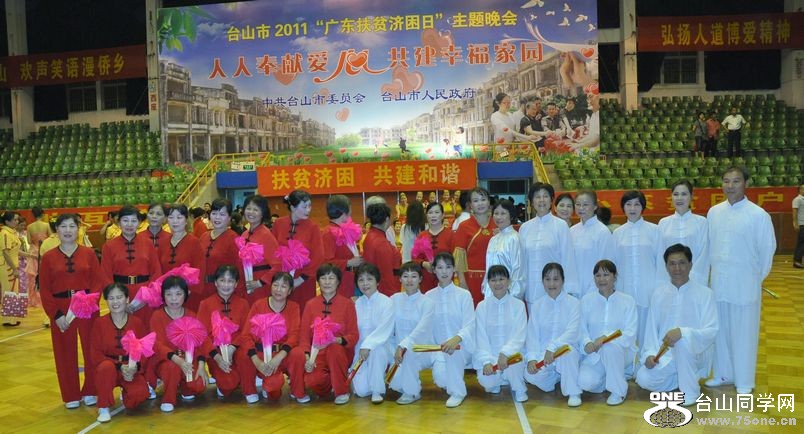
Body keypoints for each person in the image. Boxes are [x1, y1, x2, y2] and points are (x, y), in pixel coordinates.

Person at [706, 166, 776, 395]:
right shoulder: (714, 212)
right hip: (719, 284)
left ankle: (745, 380)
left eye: (736, 181)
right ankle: (723, 374)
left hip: (745, 285)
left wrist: (754, 279)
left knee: (745, 334)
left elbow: (767, 251)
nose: (730, 186)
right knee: (720, 332)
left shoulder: (758, 215)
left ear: (746, 183)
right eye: (726, 181)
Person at [636, 244, 719, 407]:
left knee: (682, 341)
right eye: (672, 264)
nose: (677, 268)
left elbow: (711, 331)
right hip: (666, 356)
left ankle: (690, 392)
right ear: (666, 267)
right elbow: (651, 331)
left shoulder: (705, 294)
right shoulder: (659, 294)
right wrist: (649, 355)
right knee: (643, 378)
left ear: (691, 265)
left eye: (682, 263)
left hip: (696, 353)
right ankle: (682, 377)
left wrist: (683, 332)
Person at [39, 213, 103, 409]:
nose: (68, 230)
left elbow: (97, 282)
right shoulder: (48, 257)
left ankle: (91, 389)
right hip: (61, 308)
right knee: (64, 352)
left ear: (79, 229)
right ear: (56, 230)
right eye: (63, 226)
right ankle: (71, 394)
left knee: (91, 349)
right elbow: (45, 289)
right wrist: (55, 315)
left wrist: (89, 302)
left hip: (86, 307)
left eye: (72, 226)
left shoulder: (89, 254)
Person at [286, 264, 358, 405]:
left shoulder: (347, 304)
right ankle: (325, 385)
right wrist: (308, 357)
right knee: (311, 378)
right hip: (316, 354)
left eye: (331, 278)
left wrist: (335, 340)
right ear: (318, 281)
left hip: (339, 352)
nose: (327, 282)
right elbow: (304, 336)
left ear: (338, 281)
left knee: (334, 349)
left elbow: (354, 335)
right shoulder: (310, 304)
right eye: (323, 278)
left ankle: (341, 391)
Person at [578, 260, 638, 406]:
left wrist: (607, 339)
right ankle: (613, 377)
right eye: (598, 275)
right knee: (585, 383)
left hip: (621, 352)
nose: (602, 279)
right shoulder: (586, 300)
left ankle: (618, 391)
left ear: (614, 276)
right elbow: (581, 329)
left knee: (610, 347)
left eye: (606, 275)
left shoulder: (627, 301)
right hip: (595, 354)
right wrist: (587, 343)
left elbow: (630, 333)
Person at [91, 283, 150, 422]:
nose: (115, 302)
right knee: (106, 368)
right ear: (106, 301)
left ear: (127, 299)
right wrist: (119, 366)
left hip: (130, 368)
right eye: (111, 298)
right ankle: (103, 406)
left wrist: (135, 368)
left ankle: (127, 393)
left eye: (119, 297)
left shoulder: (137, 322)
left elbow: (144, 351)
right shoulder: (99, 323)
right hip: (109, 368)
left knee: (140, 395)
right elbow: (96, 354)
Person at [525, 263, 582, 407]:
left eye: (556, 279)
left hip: (566, 352)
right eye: (547, 279)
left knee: (568, 353)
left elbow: (573, 332)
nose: (551, 284)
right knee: (529, 374)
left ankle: (573, 392)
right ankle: (561, 376)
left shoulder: (574, 303)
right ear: (542, 281)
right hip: (545, 357)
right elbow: (532, 335)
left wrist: (553, 347)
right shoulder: (537, 305)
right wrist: (532, 359)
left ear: (563, 280)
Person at [150, 276, 210, 412]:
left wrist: (201, 366)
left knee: (198, 385)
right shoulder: (157, 316)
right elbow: (158, 345)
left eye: (178, 294)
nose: (174, 299)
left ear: (186, 294)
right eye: (169, 294)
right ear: (163, 295)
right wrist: (178, 361)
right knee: (172, 368)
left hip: (188, 361)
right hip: (167, 361)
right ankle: (168, 399)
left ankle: (185, 386)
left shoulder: (192, 315)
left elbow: (200, 343)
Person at [424, 252, 475, 408]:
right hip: (439, 349)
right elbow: (426, 327)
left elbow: (470, 324)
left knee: (453, 353)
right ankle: (453, 380)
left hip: (462, 346)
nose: (444, 271)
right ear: (434, 270)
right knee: (441, 379)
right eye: (440, 267)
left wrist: (456, 339)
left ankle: (458, 392)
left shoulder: (464, 295)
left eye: (448, 267)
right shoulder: (428, 296)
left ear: (454, 269)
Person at [197, 265, 253, 402]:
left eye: (230, 281)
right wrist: (217, 357)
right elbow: (202, 335)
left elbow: (246, 331)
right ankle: (229, 377)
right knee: (228, 385)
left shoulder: (243, 303)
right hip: (215, 352)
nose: (226, 285)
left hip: (237, 347)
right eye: (222, 280)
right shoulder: (205, 304)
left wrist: (233, 347)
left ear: (236, 284)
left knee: (246, 356)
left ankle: (249, 388)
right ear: (216, 282)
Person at [612, 190, 660, 347]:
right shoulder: (617, 233)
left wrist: (658, 290)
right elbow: (613, 264)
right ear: (623, 207)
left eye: (637, 204)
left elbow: (660, 263)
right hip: (624, 290)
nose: (632, 208)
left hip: (648, 290)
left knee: (648, 335)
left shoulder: (654, 230)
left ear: (643, 207)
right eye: (628, 204)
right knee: (625, 334)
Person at [242, 272, 300, 401]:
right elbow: (246, 335)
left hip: (282, 354)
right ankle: (255, 385)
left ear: (290, 291)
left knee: (298, 354)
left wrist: (279, 357)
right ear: (270, 286)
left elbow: (295, 335)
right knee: (243, 354)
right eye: (275, 285)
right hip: (261, 354)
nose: (278, 289)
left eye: (283, 286)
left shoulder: (294, 307)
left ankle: (296, 389)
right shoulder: (258, 305)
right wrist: (256, 360)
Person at [100, 205, 162, 325]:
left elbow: (156, 272)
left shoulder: (148, 244)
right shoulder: (109, 246)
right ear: (119, 222)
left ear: (139, 223)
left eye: (133, 221)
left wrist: (148, 295)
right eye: (125, 220)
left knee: (145, 329)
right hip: (120, 296)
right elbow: (105, 275)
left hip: (144, 296)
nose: (129, 224)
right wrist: (116, 298)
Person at [476, 265, 528, 403]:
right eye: (493, 280)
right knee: (486, 381)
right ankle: (498, 381)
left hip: (512, 355)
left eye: (501, 279)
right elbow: (481, 337)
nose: (497, 283)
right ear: (488, 283)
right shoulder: (482, 306)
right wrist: (486, 361)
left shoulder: (518, 305)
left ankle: (519, 388)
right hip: (491, 356)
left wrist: (505, 353)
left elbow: (519, 335)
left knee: (513, 367)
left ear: (508, 281)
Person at [519, 182, 578, 304]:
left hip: (554, 291)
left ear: (551, 201)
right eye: (537, 196)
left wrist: (569, 289)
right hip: (531, 291)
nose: (541, 200)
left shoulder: (560, 226)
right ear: (531, 201)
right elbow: (522, 262)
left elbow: (568, 259)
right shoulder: (525, 228)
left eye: (545, 196)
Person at [389, 262, 434, 405]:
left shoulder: (427, 302)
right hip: (397, 350)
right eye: (405, 276)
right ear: (400, 279)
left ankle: (412, 392)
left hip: (422, 349)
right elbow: (388, 326)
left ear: (420, 279)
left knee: (408, 352)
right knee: (394, 383)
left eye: (414, 276)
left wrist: (404, 345)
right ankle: (409, 382)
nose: (409, 280)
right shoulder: (394, 299)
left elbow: (422, 330)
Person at [272, 190, 324, 307]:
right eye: (304, 207)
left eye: (310, 206)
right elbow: (272, 251)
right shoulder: (278, 224)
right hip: (280, 280)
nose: (308, 210)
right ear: (292, 207)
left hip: (304, 280)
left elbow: (318, 257)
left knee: (303, 309)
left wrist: (300, 280)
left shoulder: (313, 227)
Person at [351, 263, 394, 404]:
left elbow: (384, 330)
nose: (365, 284)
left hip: (382, 347)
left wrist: (368, 345)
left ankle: (377, 390)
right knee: (362, 391)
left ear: (377, 281)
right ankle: (376, 378)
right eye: (361, 280)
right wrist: (362, 347)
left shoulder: (387, 302)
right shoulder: (356, 304)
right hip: (360, 350)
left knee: (377, 351)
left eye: (369, 279)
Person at [656, 180, 709, 286]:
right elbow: (660, 255)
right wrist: (665, 281)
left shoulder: (701, 222)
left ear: (691, 196)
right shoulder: (663, 223)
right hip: (669, 281)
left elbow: (704, 255)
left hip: (695, 282)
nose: (679, 198)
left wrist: (691, 278)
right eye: (676, 194)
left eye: (684, 194)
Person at [453, 187, 497, 305]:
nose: (480, 203)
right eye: (476, 200)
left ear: (489, 202)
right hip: (471, 281)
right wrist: (463, 283)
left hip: (496, 280)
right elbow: (459, 259)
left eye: (483, 199)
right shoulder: (464, 226)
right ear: (470, 205)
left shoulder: (497, 224)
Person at [160, 204, 206, 312]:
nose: (175, 221)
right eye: (171, 217)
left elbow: (200, 270)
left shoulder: (195, 243)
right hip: (166, 296)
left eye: (179, 217)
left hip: (188, 297)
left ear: (186, 220)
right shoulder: (163, 243)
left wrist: (185, 293)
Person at [570, 190, 615, 298]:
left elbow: (605, 266)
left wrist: (593, 291)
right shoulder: (571, 231)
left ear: (595, 206)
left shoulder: (602, 232)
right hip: (573, 291)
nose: (581, 208)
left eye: (585, 204)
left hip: (595, 291)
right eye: (578, 204)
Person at [199, 199, 242, 308]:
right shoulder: (204, 236)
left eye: (222, 214)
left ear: (229, 218)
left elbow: (239, 270)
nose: (217, 217)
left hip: (223, 291)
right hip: (201, 290)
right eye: (214, 213)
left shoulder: (234, 239)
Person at [481, 200, 524, 300]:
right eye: (496, 213)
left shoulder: (514, 238)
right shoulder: (493, 239)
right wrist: (485, 289)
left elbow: (518, 270)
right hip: (491, 294)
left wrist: (514, 295)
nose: (499, 217)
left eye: (503, 213)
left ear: (511, 216)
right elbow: (488, 268)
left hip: (509, 295)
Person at [321, 195, 363, 298]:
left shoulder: (344, 229)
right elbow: (326, 263)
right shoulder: (328, 233)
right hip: (340, 283)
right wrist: (349, 262)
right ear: (344, 212)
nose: (351, 212)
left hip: (350, 279)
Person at [241, 195, 280, 305]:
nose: (251, 212)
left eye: (256, 209)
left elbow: (278, 264)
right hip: (246, 284)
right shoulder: (244, 234)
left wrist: (260, 282)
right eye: (248, 208)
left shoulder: (266, 235)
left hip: (260, 286)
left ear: (262, 213)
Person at [412, 202, 454, 293]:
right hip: (426, 280)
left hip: (445, 278)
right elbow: (414, 258)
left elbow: (455, 258)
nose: (433, 215)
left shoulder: (451, 235)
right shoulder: (421, 236)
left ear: (442, 215)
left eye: (436, 212)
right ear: (426, 216)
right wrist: (424, 264)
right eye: (430, 213)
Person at [362, 202, 402, 297]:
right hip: (384, 292)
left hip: (374, 289)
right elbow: (386, 275)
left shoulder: (370, 236)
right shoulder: (381, 243)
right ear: (387, 219)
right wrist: (392, 297)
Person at [0, 212, 22, 326]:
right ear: (7, 221)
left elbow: (16, 251)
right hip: (7, 267)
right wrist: (14, 269)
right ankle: (7, 319)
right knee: (8, 291)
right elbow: (5, 253)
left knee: (14, 292)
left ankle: (12, 318)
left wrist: (31, 255)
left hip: (13, 265)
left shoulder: (12, 233)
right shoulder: (4, 233)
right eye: (15, 219)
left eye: (17, 219)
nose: (17, 221)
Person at [793, 184, 804, 269]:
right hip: (802, 224)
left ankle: (798, 260)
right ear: (800, 190)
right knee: (801, 243)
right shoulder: (797, 199)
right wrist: (795, 223)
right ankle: (797, 261)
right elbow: (795, 212)